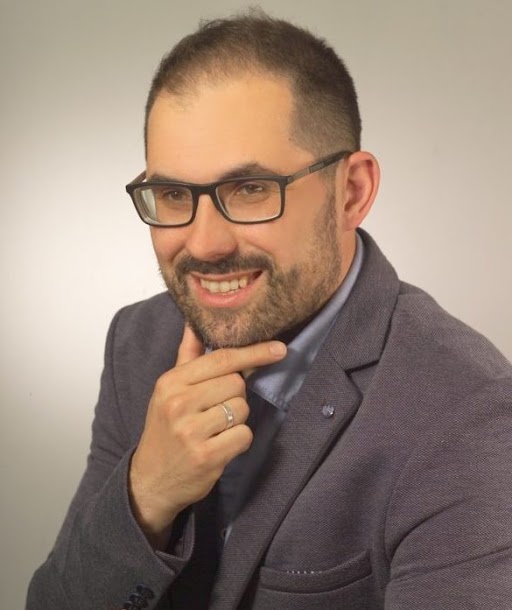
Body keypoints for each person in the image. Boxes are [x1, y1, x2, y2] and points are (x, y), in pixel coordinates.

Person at [27, 10, 512, 610]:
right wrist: (146, 493)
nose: (205, 244)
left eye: (251, 189)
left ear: (352, 192)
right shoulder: (139, 341)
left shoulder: (468, 416)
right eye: (173, 194)